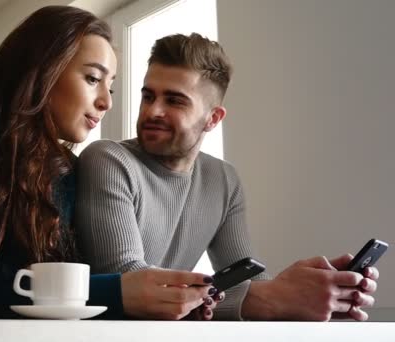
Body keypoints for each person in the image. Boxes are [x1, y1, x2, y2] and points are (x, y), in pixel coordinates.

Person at [0, 6, 217, 320]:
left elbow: (52, 287)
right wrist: (119, 293)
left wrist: (166, 300)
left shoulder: (61, 169)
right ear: (42, 69)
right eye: (92, 78)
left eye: (112, 86)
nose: (106, 101)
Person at [75, 33, 380, 321]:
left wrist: (313, 294)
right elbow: (129, 280)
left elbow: (247, 279)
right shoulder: (108, 159)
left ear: (213, 118)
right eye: (148, 96)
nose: (153, 111)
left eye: (174, 100)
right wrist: (275, 296)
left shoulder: (222, 180)